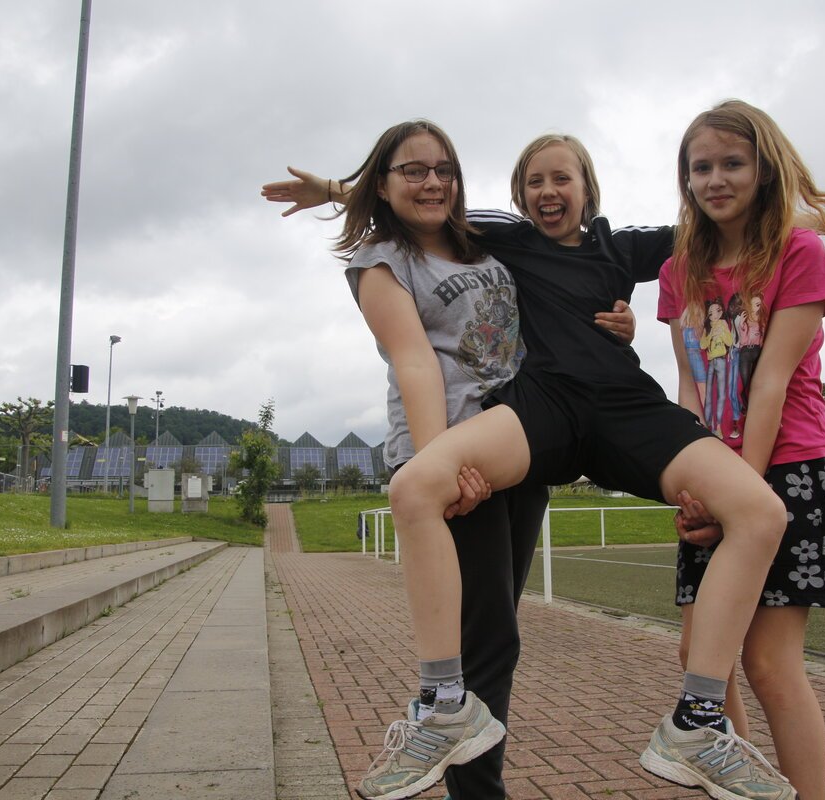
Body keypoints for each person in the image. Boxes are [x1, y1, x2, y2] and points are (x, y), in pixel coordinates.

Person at [266, 125, 825, 800]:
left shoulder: (620, 248)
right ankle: (444, 702)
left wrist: (821, 218)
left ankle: (698, 719)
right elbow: (424, 198)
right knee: (417, 486)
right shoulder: (507, 240)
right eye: (534, 181)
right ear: (519, 197)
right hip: (545, 407)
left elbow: (723, 219)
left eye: (561, 178)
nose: (548, 191)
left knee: (760, 510)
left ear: (587, 189)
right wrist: (336, 189)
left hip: (624, 406)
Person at [265, 120, 637, 800]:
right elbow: (415, 363)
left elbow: (560, 287)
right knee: (485, 639)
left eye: (445, 169)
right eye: (414, 170)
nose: (432, 181)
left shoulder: (487, 238)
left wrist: (618, 321)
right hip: (447, 454)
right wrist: (439, 468)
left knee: (492, 633)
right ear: (384, 183)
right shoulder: (382, 261)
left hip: (515, 447)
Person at [656, 99, 825, 800]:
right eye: (701, 168)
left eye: (732, 163)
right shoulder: (678, 271)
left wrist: (737, 495)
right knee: (700, 660)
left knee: (769, 664)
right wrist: (695, 478)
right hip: (715, 474)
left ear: (764, 169)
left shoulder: (799, 253)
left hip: (788, 472)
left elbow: (770, 382)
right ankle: (740, 785)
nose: (715, 179)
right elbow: (689, 384)